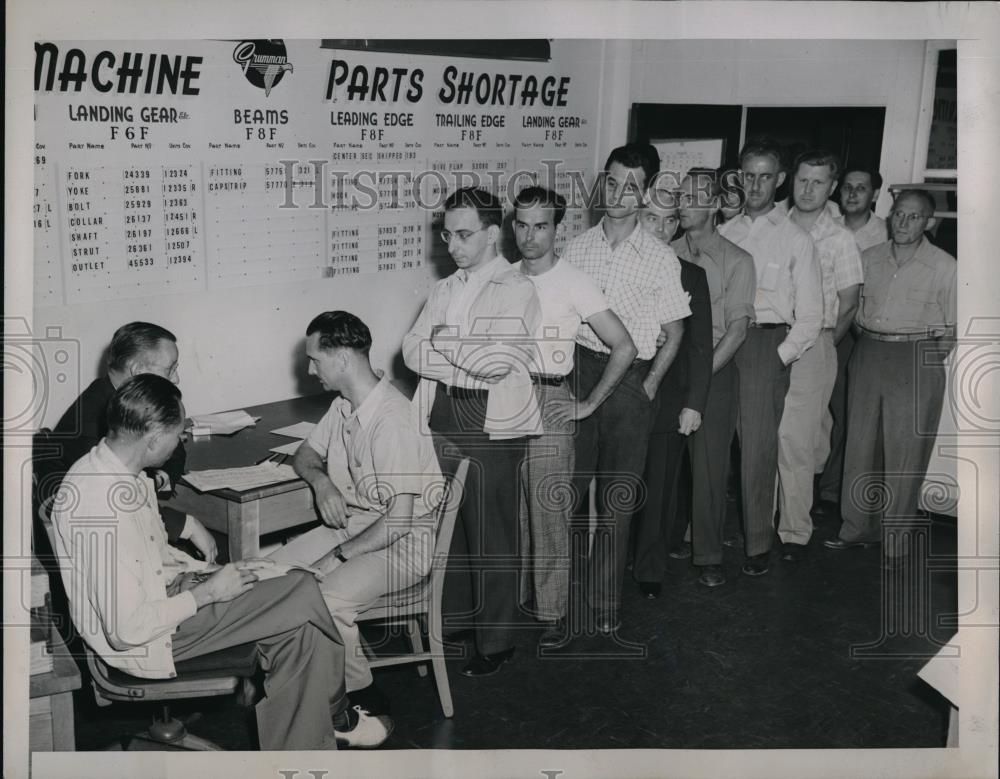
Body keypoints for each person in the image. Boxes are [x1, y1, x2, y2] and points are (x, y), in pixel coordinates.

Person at [50, 374, 391, 750]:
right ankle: (338, 712)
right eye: (179, 433)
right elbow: (126, 629)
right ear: (153, 438)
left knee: (299, 629)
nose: (181, 440)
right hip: (148, 641)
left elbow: (151, 559)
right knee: (304, 587)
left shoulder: (116, 472)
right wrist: (209, 593)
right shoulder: (99, 507)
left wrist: (203, 574)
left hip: (169, 603)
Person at [267, 311, 445, 713]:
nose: (311, 370)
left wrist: (338, 556)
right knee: (268, 573)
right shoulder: (345, 405)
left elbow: (399, 522)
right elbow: (306, 453)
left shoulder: (392, 421)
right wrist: (323, 482)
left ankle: (359, 695)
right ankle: (292, 681)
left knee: (328, 600)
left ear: (343, 359)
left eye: (316, 359)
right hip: (357, 526)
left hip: (401, 543)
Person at [403, 187, 541, 676]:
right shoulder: (446, 287)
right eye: (447, 234)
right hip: (442, 411)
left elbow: (496, 363)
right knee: (449, 525)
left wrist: (445, 344)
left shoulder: (517, 287)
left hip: (490, 421)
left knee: (491, 531)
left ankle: (497, 640)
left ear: (491, 233)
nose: (452, 245)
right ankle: (459, 618)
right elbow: (410, 350)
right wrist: (457, 350)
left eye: (464, 235)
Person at [562, 142, 691, 632]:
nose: (618, 194)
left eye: (631, 186)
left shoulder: (660, 257)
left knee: (616, 500)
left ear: (645, 194)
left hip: (631, 381)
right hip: (579, 372)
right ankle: (565, 596)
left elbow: (675, 332)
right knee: (569, 493)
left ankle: (603, 604)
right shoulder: (576, 247)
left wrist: (652, 382)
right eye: (612, 182)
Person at [510, 186, 637, 647]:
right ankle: (519, 599)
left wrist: (587, 405)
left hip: (549, 399)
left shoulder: (575, 280)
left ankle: (553, 612)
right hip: (505, 399)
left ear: (557, 229)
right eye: (521, 225)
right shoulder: (501, 277)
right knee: (514, 509)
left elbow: (625, 346)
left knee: (547, 510)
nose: (530, 236)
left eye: (540, 226)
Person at [825, 189, 956, 569]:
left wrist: (923, 362)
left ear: (929, 222)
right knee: (860, 443)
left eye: (914, 217)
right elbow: (851, 309)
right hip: (868, 352)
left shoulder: (945, 266)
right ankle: (856, 528)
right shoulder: (868, 258)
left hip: (915, 355)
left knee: (905, 451)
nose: (903, 222)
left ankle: (895, 540)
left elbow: (953, 327)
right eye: (898, 214)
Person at [718, 139, 823, 577]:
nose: (755, 184)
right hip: (724, 342)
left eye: (765, 176)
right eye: (748, 175)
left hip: (765, 344)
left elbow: (812, 316)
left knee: (758, 452)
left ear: (779, 180)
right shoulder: (725, 231)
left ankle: (757, 544)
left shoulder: (796, 239)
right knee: (711, 443)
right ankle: (699, 536)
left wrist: (778, 357)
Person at [45, 321, 215, 562]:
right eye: (170, 368)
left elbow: (176, 451)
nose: (175, 378)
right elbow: (107, 507)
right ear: (137, 369)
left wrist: (157, 478)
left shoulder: (132, 404)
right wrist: (179, 518)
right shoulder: (89, 424)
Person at [670, 168, 756, 588]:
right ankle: (668, 538)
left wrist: (700, 380)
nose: (681, 203)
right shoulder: (666, 252)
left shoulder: (738, 261)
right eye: (679, 196)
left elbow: (737, 330)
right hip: (669, 368)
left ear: (715, 205)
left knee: (708, 468)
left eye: (692, 197)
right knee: (667, 463)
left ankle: (708, 555)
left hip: (716, 371)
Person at [778, 150, 863, 560]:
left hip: (816, 342)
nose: (808, 189)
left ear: (832, 187)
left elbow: (849, 302)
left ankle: (794, 531)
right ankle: (762, 519)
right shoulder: (774, 223)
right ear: (791, 180)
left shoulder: (840, 238)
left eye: (818, 182)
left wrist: (822, 342)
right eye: (802, 180)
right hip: (770, 340)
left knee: (797, 441)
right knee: (765, 435)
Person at [631, 175, 713, 598]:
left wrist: (694, 404)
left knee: (660, 489)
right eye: (651, 218)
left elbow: (700, 348)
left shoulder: (692, 276)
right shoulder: (614, 266)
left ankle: (649, 570)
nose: (661, 230)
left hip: (669, 398)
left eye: (669, 221)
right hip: (622, 393)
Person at [816, 166, 889, 511]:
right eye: (847, 187)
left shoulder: (886, 234)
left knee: (847, 414)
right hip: (817, 328)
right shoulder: (824, 226)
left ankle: (830, 490)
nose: (853, 193)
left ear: (874, 194)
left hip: (854, 335)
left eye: (861, 188)